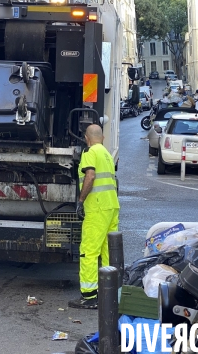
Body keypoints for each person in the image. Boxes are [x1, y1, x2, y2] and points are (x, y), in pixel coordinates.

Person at [69, 124, 120, 310]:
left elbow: (89, 176)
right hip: (111, 206)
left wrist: (81, 200)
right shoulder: (106, 154)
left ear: (86, 138)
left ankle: (89, 296)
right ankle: (108, 292)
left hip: (97, 207)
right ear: (103, 138)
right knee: (107, 251)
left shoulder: (89, 152)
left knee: (89, 251)